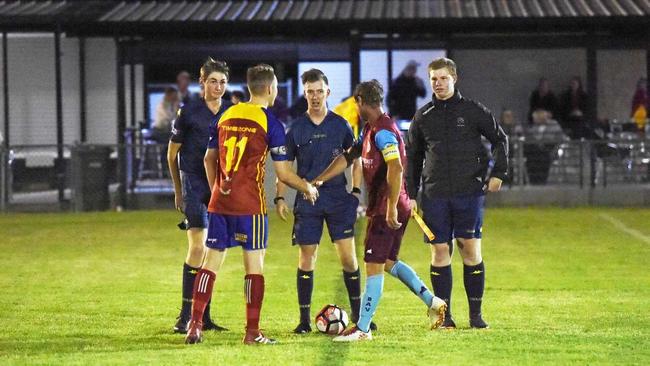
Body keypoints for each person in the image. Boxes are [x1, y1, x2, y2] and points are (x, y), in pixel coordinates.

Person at [184, 64, 320, 345]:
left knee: (210, 264)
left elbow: (209, 159)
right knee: (254, 267)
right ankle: (252, 332)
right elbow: (283, 173)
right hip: (251, 206)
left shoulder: (226, 114)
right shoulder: (270, 122)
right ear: (270, 89)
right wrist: (306, 186)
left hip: (220, 202)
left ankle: (194, 324)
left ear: (249, 87)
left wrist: (215, 191)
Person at [313, 80, 447, 342]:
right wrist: (321, 178)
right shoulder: (370, 129)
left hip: (389, 206)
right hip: (393, 204)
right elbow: (348, 156)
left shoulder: (383, 131)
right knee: (387, 262)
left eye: (356, 102)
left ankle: (362, 328)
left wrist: (390, 207)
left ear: (361, 100)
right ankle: (433, 302)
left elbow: (395, 167)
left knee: (373, 265)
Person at [406, 57, 508, 329]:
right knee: (440, 252)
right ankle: (445, 316)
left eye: (443, 78)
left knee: (470, 250)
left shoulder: (473, 111)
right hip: (434, 194)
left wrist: (498, 173)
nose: (438, 83)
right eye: (434, 79)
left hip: (468, 193)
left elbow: (500, 139)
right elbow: (413, 158)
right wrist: (411, 193)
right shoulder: (423, 116)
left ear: (454, 79)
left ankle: (476, 316)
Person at [274, 69, 365, 334]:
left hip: (338, 198)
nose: (314, 96)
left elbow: (355, 159)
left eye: (319, 91)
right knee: (306, 257)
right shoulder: (296, 128)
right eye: (309, 91)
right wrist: (280, 197)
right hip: (308, 200)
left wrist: (356, 191)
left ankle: (360, 317)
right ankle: (304, 321)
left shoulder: (340, 125)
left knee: (348, 259)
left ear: (328, 92)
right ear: (304, 94)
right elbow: (285, 166)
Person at [167, 58, 231, 334]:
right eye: (213, 81)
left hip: (220, 188)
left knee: (213, 249)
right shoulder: (188, 112)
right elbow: (172, 155)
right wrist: (178, 190)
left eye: (223, 82)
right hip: (194, 184)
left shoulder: (231, 112)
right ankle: (184, 316)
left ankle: (203, 316)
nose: (218, 87)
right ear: (202, 82)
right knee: (197, 247)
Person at [524, 110, 566, 185]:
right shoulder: (534, 127)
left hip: (549, 150)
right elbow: (529, 137)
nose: (534, 120)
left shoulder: (554, 125)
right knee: (531, 155)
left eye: (536, 118)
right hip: (535, 152)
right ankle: (533, 180)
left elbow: (560, 139)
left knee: (541, 156)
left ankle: (541, 180)